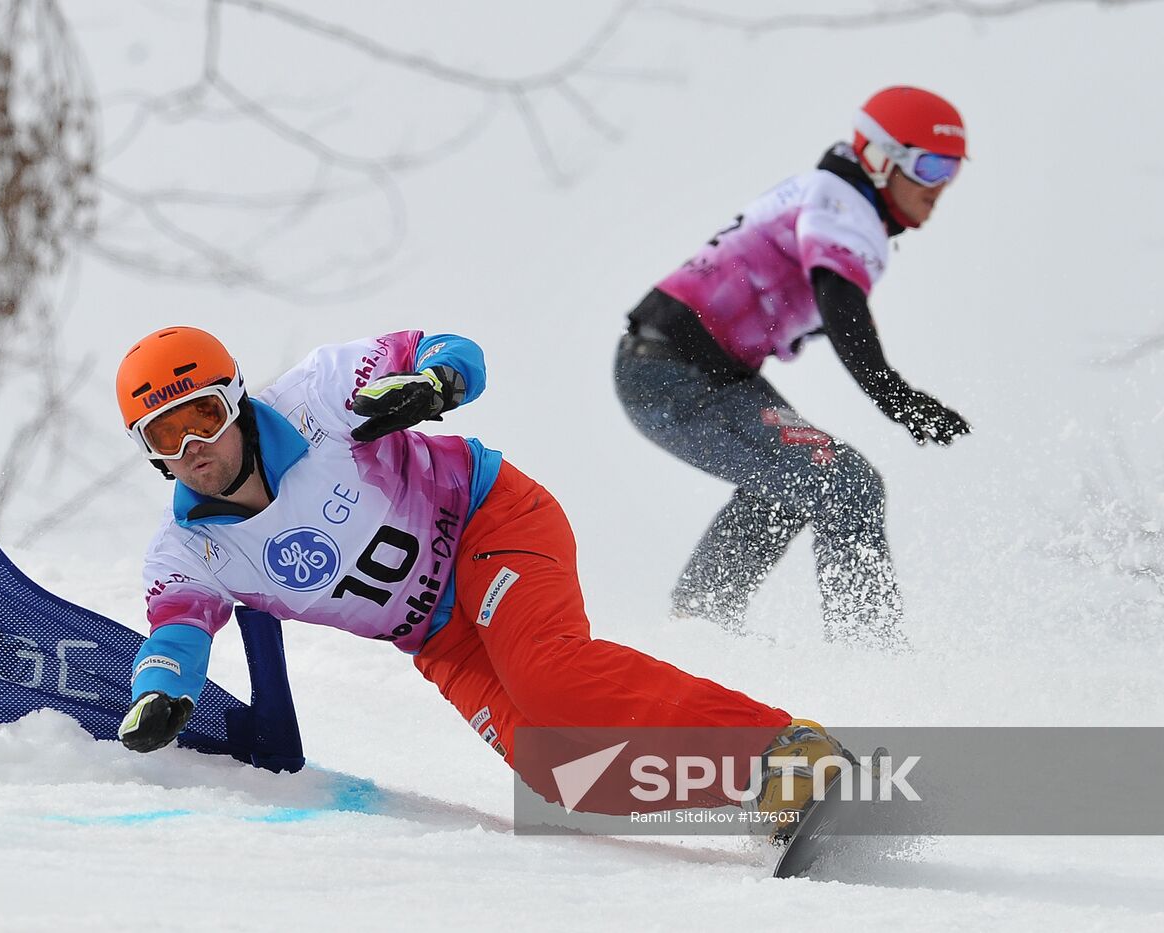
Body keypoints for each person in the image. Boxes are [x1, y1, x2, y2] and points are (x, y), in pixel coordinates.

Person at [112, 324, 843, 828]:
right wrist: (160, 693)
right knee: (560, 775)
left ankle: (785, 748)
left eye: (203, 414)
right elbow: (177, 634)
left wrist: (436, 381)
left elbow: (448, 348)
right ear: (149, 453)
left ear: (236, 397)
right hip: (438, 635)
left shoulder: (315, 399)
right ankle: (762, 791)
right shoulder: (187, 550)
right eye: (165, 435)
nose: (195, 445)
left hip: (487, 522)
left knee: (548, 676)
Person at [613, 86, 972, 649]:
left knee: (797, 480)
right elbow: (841, 305)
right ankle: (868, 654)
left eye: (952, 170)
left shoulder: (829, 199)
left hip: (699, 371)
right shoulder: (842, 204)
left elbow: (831, 307)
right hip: (673, 375)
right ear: (879, 159)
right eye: (930, 166)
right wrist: (894, 396)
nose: (940, 187)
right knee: (843, 482)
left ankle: (698, 628)